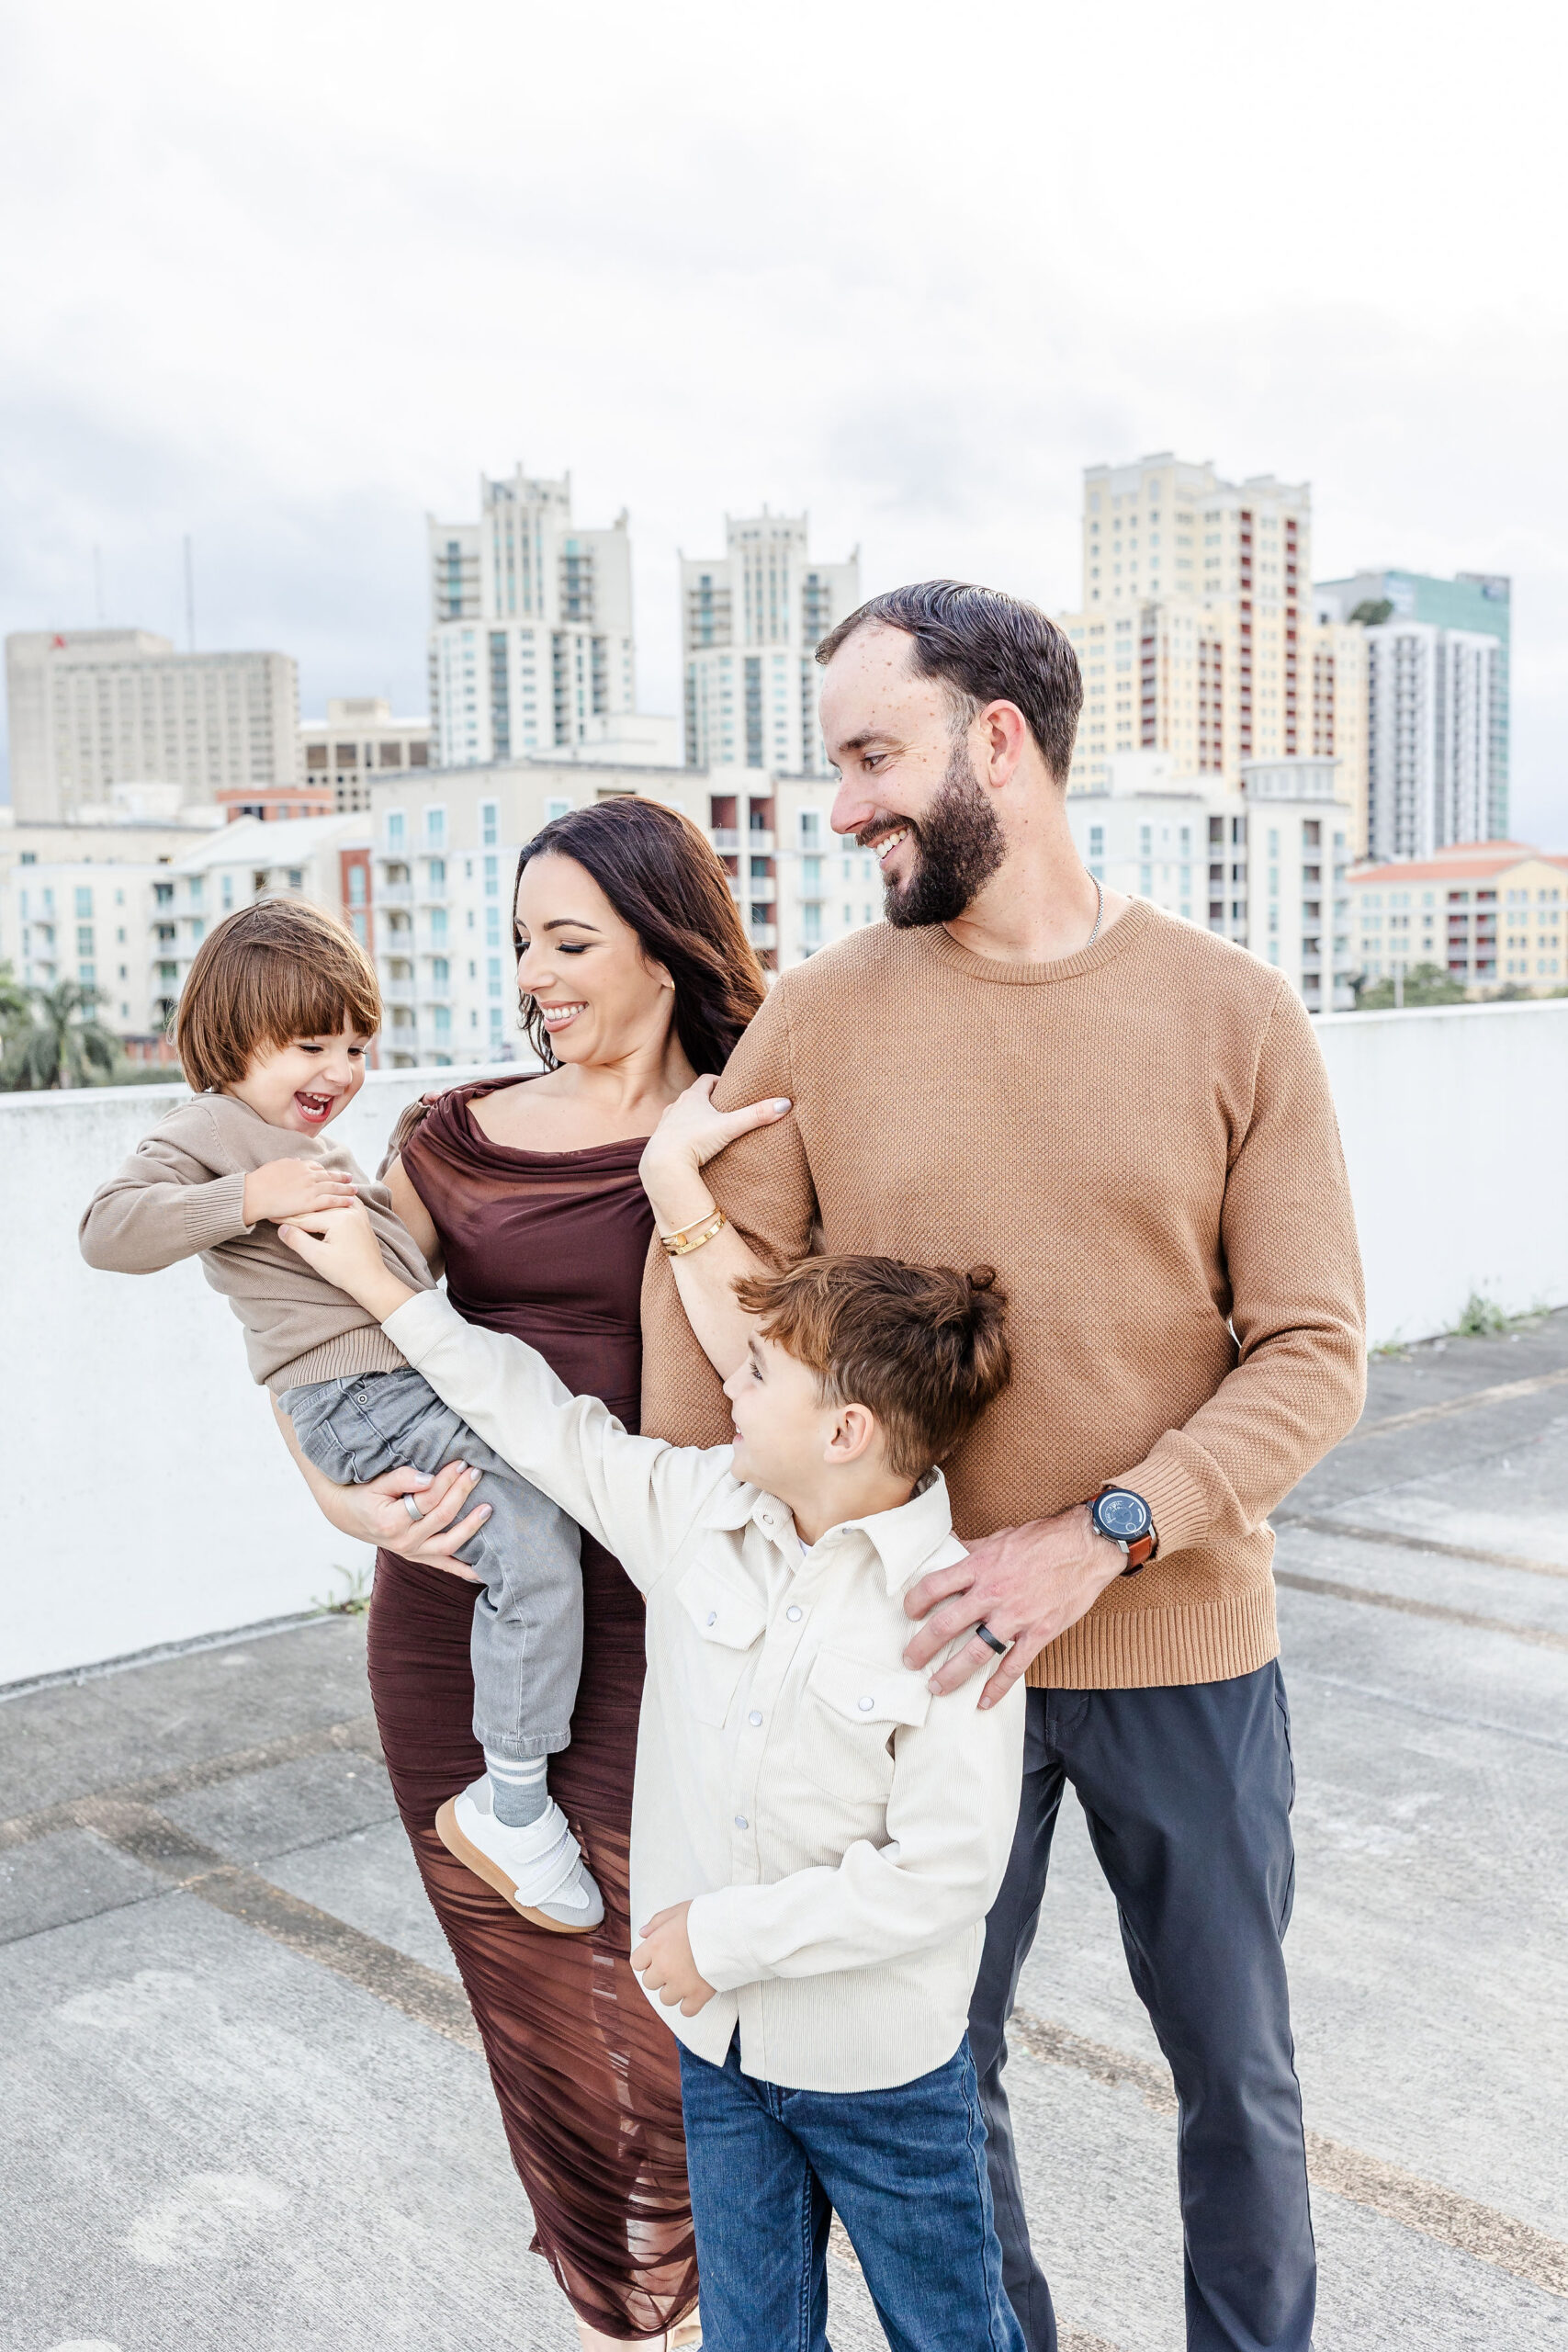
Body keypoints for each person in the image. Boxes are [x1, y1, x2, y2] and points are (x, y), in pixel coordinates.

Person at [634, 582, 1368, 2352]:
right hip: (908, 1661)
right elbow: (709, 1382)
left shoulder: (1234, 1014)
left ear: (999, 743)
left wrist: (1101, 1535)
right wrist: (672, 1221)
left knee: (1237, 2085)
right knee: (929, 2073)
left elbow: (1312, 1352)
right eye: (832, 768)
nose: (843, 807)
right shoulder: (816, 1016)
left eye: (872, 758)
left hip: (1177, 1646)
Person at [276, 1172, 1030, 2352]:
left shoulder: (953, 1615)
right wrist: (385, 1288)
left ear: (846, 1431)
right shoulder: (694, 1510)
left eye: (761, 1371)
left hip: (881, 2075)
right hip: (721, 2048)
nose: (729, 1380)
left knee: (951, 2333)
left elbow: (946, 1870)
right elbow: (537, 1417)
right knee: (747, 2338)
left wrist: (719, 1941)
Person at [279, 797, 766, 2350]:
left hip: (676, 1624)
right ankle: (616, 2309)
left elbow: (790, 1365)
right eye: (520, 945)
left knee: (675, 1994)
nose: (537, 975)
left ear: (663, 943)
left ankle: (686, 2292)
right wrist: (345, 1514)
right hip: (461, 1621)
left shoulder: (755, 1124)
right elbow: (314, 1343)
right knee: (536, 1999)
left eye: (571, 940)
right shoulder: (448, 1134)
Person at [79, 896, 602, 1931]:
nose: (340, 1068)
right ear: (233, 1035)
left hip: (392, 1388)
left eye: (357, 1044)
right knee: (535, 1544)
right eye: (311, 1042)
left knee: (561, 1494)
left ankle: (515, 1780)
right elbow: (106, 1230)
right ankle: (513, 1804)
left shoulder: (309, 1147)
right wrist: (248, 1196)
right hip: (358, 1401)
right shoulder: (213, 1133)